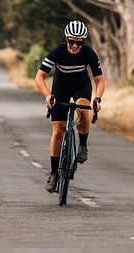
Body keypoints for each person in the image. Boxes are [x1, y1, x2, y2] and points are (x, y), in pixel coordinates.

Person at [35, 20, 105, 193]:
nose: (74, 45)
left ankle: (82, 146)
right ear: (66, 38)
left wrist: (97, 99)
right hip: (61, 87)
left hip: (81, 85)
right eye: (71, 41)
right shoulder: (57, 52)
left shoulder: (88, 53)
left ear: (83, 42)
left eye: (79, 42)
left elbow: (99, 80)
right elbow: (39, 77)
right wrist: (48, 95)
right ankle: (53, 174)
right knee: (58, 131)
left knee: (82, 108)